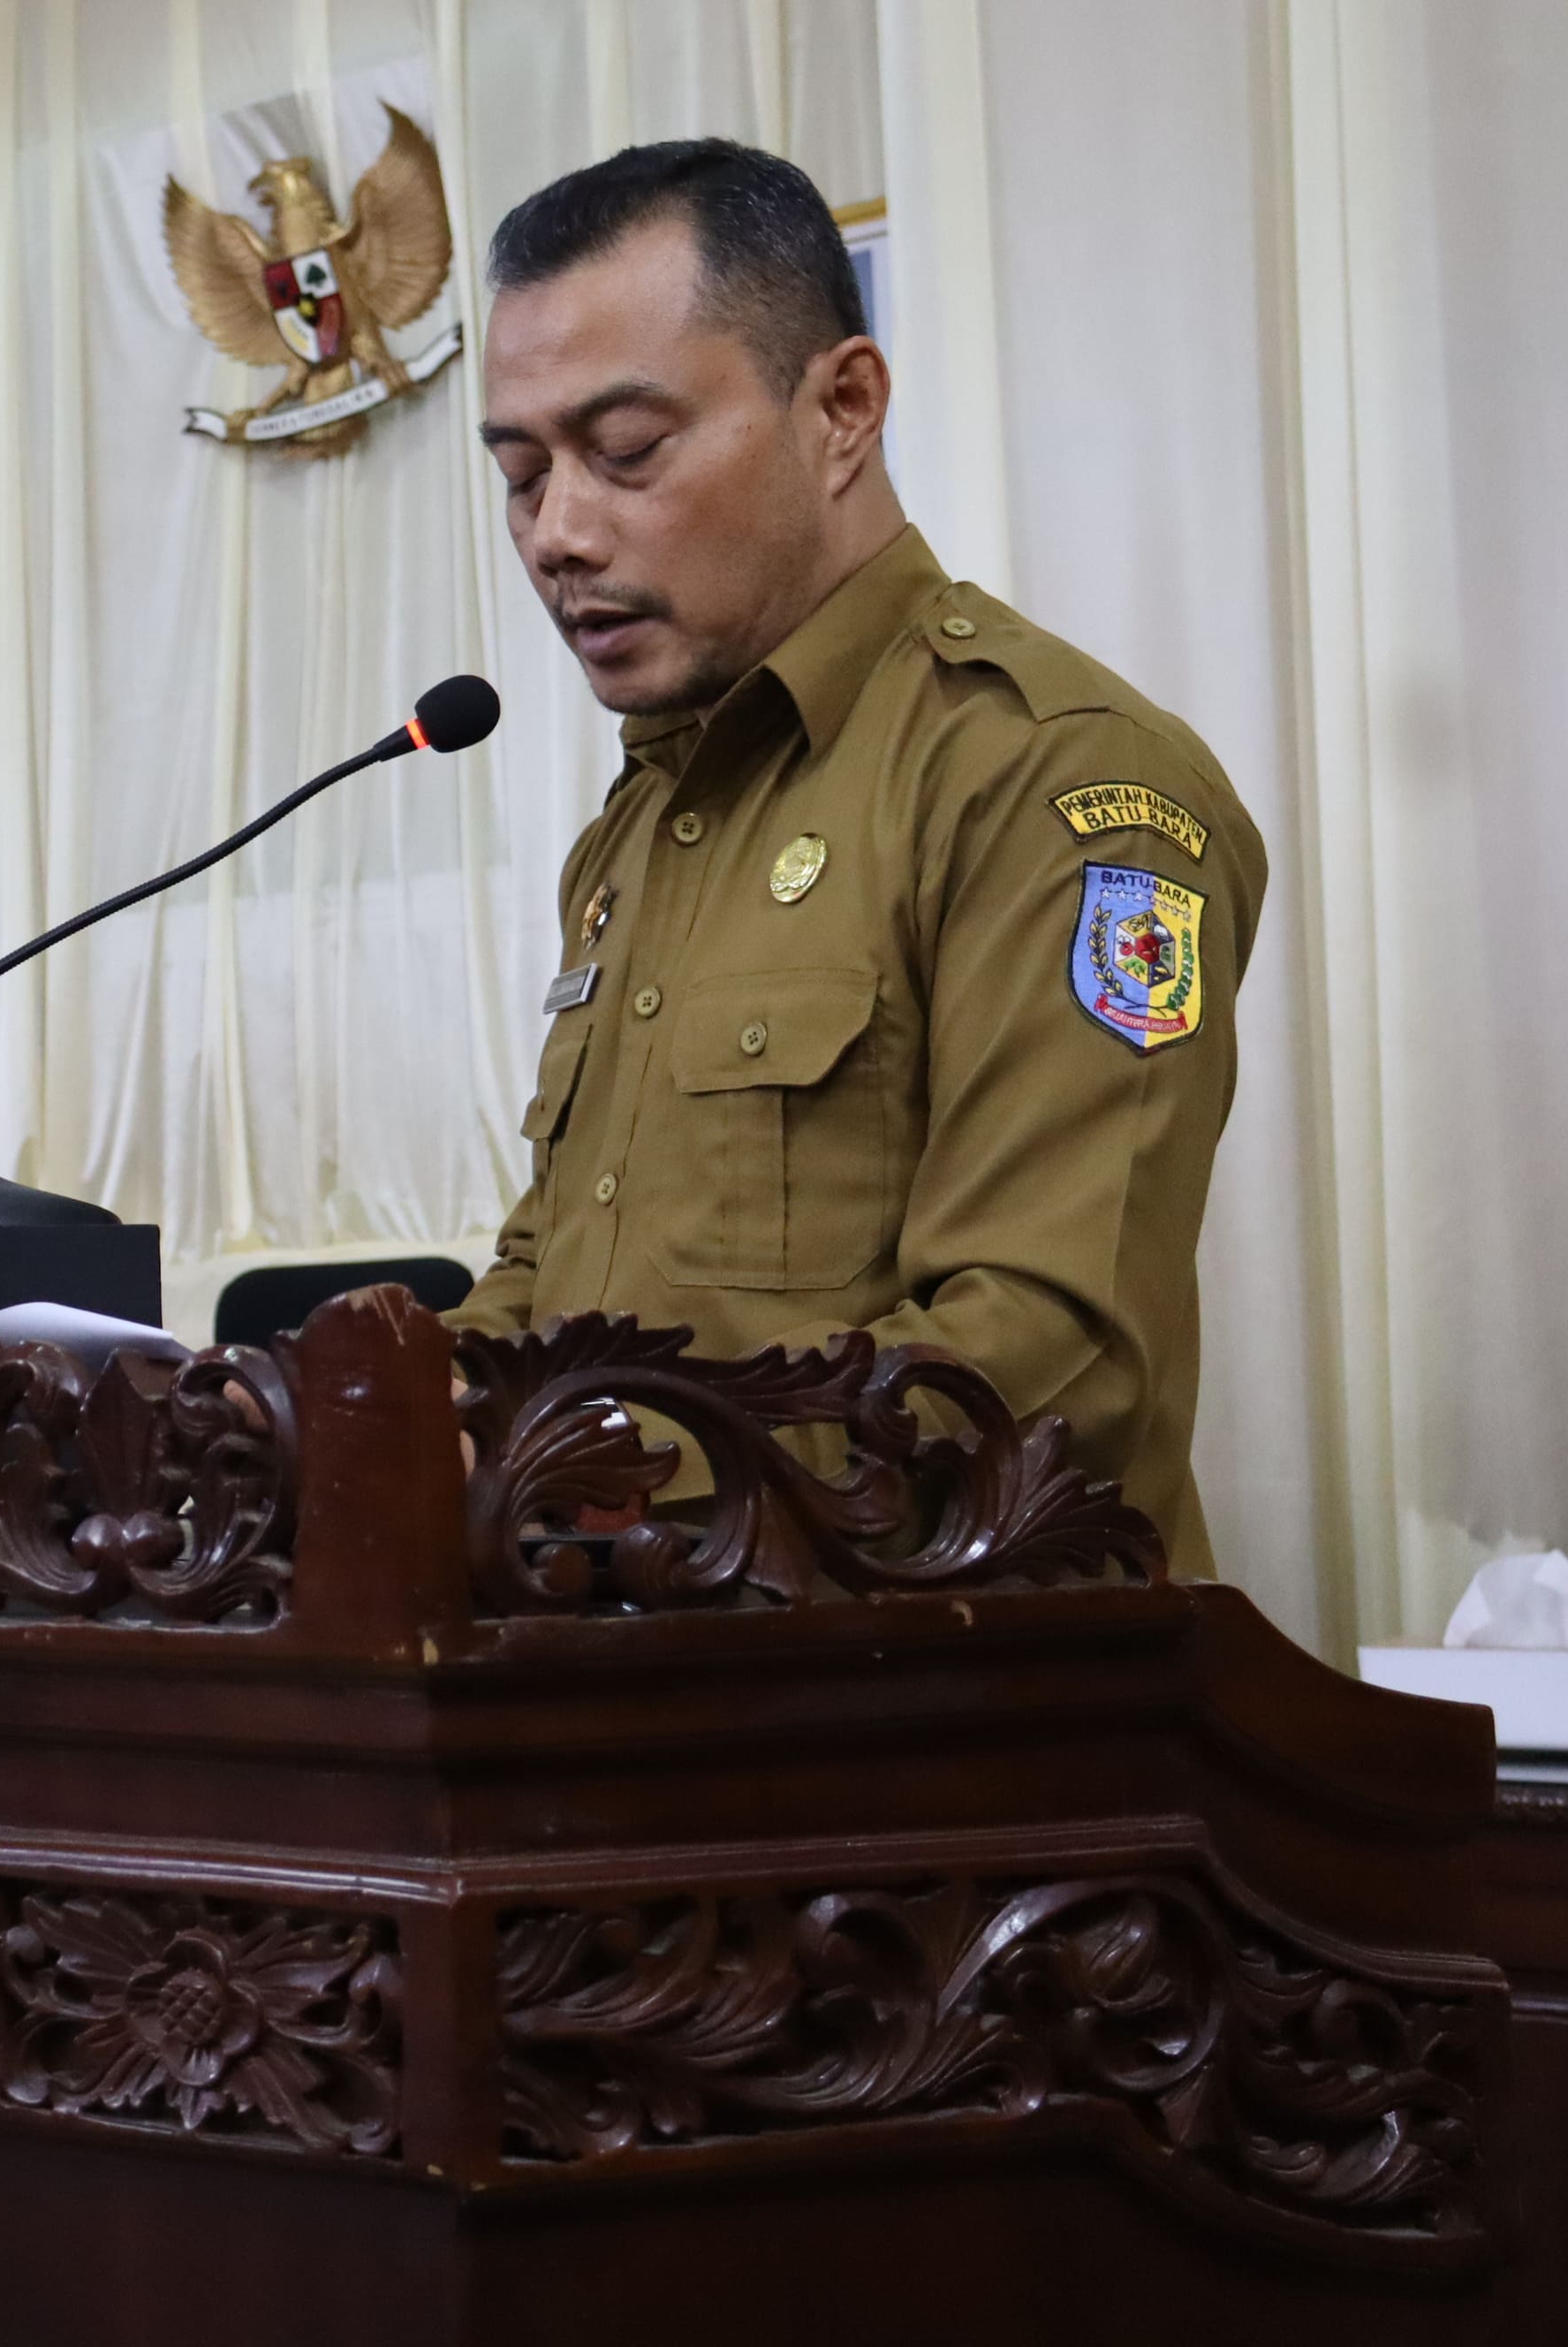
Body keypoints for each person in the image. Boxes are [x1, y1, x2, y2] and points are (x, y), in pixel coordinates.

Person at [452, 140, 1264, 1581]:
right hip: (624, 1683)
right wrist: (340, 1418)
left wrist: (585, 1486)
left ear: (839, 406)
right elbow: (550, 1285)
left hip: (950, 1732)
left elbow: (1045, 1358)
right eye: (520, 476)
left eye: (624, 454)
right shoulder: (647, 814)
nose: (557, 535)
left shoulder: (1049, 775)